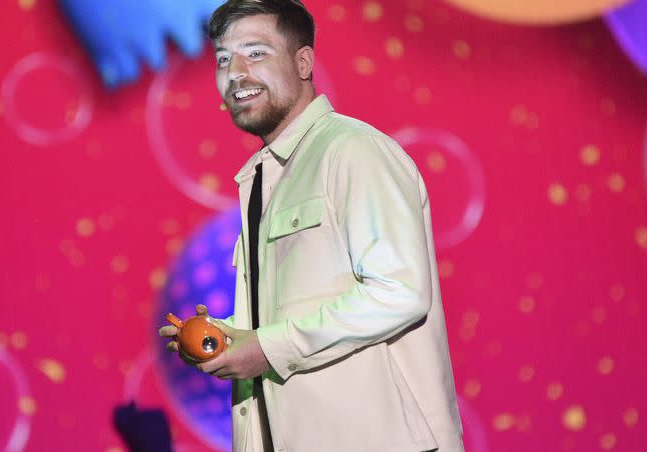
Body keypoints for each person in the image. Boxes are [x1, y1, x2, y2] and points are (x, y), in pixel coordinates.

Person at [159, 1, 464, 450]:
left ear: (303, 62)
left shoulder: (353, 151)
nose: (236, 72)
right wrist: (233, 338)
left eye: (255, 53)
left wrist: (267, 348)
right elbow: (297, 313)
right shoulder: (264, 176)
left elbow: (400, 292)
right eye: (224, 59)